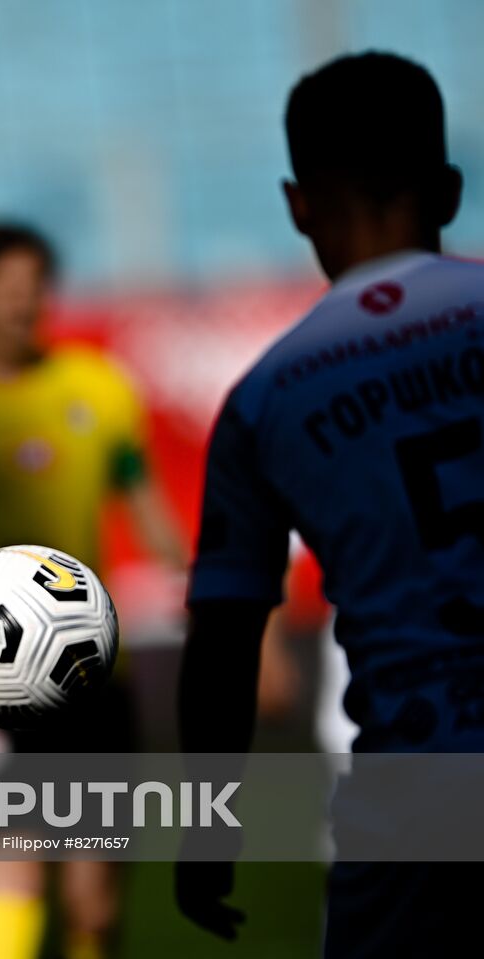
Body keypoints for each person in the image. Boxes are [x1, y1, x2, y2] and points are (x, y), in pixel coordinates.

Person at [177, 51, 480, 957]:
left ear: (298, 204)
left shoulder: (269, 399)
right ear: (451, 188)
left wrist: (209, 829)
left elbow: (224, 643)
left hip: (419, 806)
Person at [0, 223, 187, 959]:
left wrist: (213, 595)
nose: (21, 305)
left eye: (33, 288)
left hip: (93, 677)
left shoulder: (98, 388)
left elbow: (145, 503)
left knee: (94, 899)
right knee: (12, 870)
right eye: (4, 290)